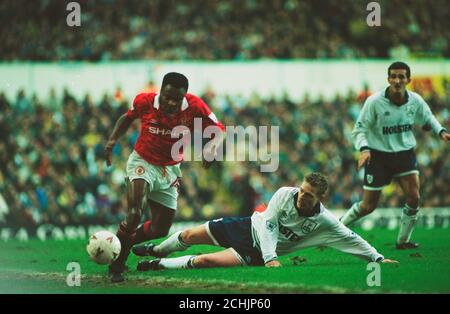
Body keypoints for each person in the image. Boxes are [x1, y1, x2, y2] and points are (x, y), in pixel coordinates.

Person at [132, 173, 398, 271]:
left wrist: (376, 258)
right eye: (302, 190)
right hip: (246, 226)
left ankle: (157, 264)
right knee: (189, 235)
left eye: (309, 195)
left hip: (255, 252)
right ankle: (156, 248)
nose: (302, 197)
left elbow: (349, 238)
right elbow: (268, 223)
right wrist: (273, 258)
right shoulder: (285, 194)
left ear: (320, 198)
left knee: (204, 261)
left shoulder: (324, 222)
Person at [104, 72, 225, 282]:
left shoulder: (195, 106)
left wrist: (212, 147)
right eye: (167, 96)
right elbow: (127, 118)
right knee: (134, 213)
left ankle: (125, 241)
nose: (171, 102)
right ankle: (117, 264)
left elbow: (219, 129)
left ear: (184, 97)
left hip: (169, 169)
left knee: (161, 228)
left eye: (176, 99)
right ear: (161, 90)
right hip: (142, 162)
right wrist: (113, 140)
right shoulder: (145, 101)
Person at [340, 62, 449, 249]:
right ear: (388, 79)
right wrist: (364, 149)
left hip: (404, 154)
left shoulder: (415, 100)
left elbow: (428, 117)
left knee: (414, 196)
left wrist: (440, 131)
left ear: (408, 80)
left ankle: (403, 241)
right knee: (368, 206)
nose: (397, 80)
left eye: (401, 77)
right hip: (378, 156)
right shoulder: (374, 102)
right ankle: (337, 227)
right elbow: (359, 129)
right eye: (394, 76)